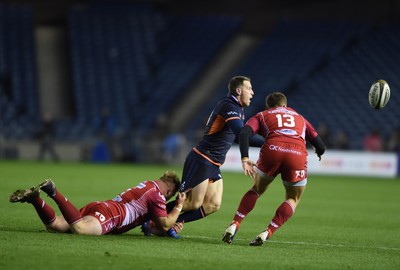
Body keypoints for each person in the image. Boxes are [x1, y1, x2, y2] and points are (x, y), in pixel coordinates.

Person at [154, 76, 264, 237]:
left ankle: (174, 222)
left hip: (213, 163)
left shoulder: (237, 108)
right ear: (238, 90)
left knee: (213, 204)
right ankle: (149, 218)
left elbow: (240, 135)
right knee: (193, 203)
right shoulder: (228, 105)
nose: (252, 93)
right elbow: (242, 134)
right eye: (249, 88)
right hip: (203, 158)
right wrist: (268, 142)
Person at [222, 92, 325, 246]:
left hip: (272, 150)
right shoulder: (300, 118)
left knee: (257, 189)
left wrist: (245, 157)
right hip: (296, 153)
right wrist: (319, 152)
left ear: (268, 106)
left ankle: (235, 223)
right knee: (293, 198)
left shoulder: (263, 115)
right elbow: (320, 145)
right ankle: (267, 231)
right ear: (285, 105)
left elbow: (244, 133)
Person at [9, 171, 186, 236]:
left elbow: (150, 226)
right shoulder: (157, 196)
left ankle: (35, 199)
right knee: (80, 229)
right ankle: (54, 192)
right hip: (113, 215)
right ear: (170, 191)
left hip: (101, 206)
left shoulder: (148, 184)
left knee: (56, 225)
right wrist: (178, 205)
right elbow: (164, 224)